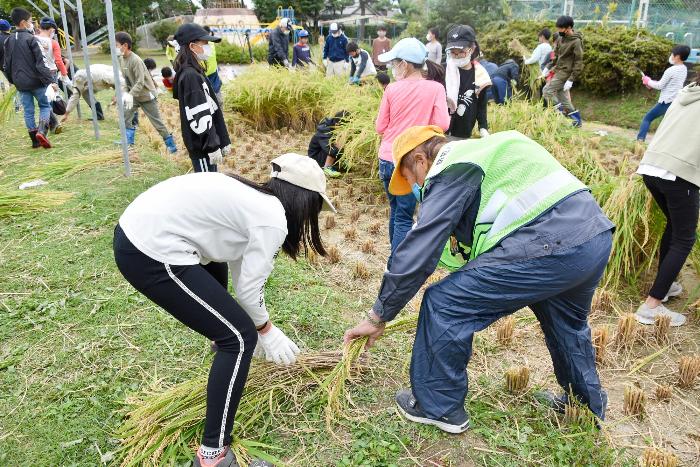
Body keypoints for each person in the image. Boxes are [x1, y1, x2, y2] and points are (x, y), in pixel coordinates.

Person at [344, 126, 614, 433]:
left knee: (444, 304)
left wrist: (379, 315)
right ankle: (585, 406)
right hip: (592, 237)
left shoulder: (451, 166)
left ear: (420, 159)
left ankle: (439, 407)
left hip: (549, 242)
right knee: (568, 324)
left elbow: (420, 251)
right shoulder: (484, 153)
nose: (418, 188)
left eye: (411, 179)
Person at [114, 153, 334, 467]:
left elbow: (240, 270)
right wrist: (266, 331)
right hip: (151, 250)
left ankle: (224, 346)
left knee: (231, 323)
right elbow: (247, 290)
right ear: (304, 201)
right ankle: (213, 456)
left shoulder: (253, 198)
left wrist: (255, 324)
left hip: (138, 230)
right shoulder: (272, 218)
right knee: (240, 338)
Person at [375, 38, 451, 267]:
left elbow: (380, 127)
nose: (393, 67)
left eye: (395, 62)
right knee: (404, 216)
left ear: (405, 64)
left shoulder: (391, 89)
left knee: (396, 211)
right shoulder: (436, 89)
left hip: (386, 158)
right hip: (410, 162)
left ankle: (394, 258)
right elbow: (443, 124)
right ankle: (397, 266)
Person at [634, 76, 700, 327]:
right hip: (678, 174)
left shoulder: (688, 92)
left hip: (652, 167)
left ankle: (668, 283)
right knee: (685, 237)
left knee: (674, 226)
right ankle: (651, 306)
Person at [173, 24, 230, 173]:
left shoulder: (195, 70)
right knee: (207, 187)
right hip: (202, 147)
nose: (208, 47)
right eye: (205, 43)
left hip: (205, 144)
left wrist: (222, 140)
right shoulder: (190, 76)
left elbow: (210, 106)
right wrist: (212, 146)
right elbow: (199, 114)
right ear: (192, 46)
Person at [115, 31, 177, 153]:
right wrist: (125, 94)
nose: (115, 47)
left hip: (146, 95)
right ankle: (128, 141)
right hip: (134, 95)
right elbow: (126, 79)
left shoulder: (136, 60)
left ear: (125, 45)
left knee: (156, 122)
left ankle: (171, 146)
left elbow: (140, 82)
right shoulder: (122, 59)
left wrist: (129, 95)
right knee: (125, 115)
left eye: (117, 45)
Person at [2, 8, 54, 149]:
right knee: (44, 106)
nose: (32, 24)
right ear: (24, 23)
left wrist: (12, 81)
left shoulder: (8, 40)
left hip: (20, 84)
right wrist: (51, 82)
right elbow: (41, 63)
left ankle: (34, 141)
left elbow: (6, 65)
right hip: (36, 82)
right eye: (31, 21)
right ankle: (42, 132)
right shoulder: (32, 39)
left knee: (28, 111)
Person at [444, 25, 491, 139]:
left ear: (472, 49)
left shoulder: (480, 76)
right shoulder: (444, 71)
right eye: (452, 52)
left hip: (463, 132)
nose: (457, 56)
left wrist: (483, 127)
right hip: (442, 130)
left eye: (461, 52)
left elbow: (481, 105)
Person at [636, 45, 690, 142]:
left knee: (647, 118)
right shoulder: (684, 69)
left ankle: (640, 140)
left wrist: (647, 81)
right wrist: (651, 83)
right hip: (676, 101)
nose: (671, 56)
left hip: (666, 102)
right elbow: (668, 84)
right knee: (666, 125)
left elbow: (660, 86)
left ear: (677, 56)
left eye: (672, 54)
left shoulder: (671, 70)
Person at [542, 16, 583, 127]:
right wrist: (548, 67)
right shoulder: (560, 39)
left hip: (566, 73)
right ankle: (577, 122)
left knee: (547, 91)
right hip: (558, 70)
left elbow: (578, 62)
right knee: (563, 98)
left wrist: (571, 79)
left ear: (568, 28)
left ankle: (560, 116)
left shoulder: (576, 41)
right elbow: (555, 56)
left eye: (561, 29)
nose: (559, 31)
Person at [62, 64, 126, 122]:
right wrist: (66, 114)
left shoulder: (105, 75)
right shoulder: (79, 78)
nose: (84, 85)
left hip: (115, 80)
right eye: (83, 84)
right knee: (85, 93)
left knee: (122, 98)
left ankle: (128, 118)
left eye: (85, 83)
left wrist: (117, 95)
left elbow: (122, 83)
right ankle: (99, 115)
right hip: (98, 83)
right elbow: (75, 97)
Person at [307, 111, 348, 177]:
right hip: (316, 159)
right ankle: (327, 167)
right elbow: (330, 149)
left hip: (325, 155)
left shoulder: (335, 127)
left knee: (344, 139)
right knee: (338, 142)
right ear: (337, 124)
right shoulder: (324, 130)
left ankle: (341, 163)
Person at [202, 26, 223, 102]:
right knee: (216, 101)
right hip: (205, 75)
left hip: (211, 74)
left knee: (218, 101)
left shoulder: (210, 43)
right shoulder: (206, 44)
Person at [0, 19, 11, 92]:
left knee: (12, 84)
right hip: (18, 65)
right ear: (9, 28)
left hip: (4, 67)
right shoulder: (14, 37)